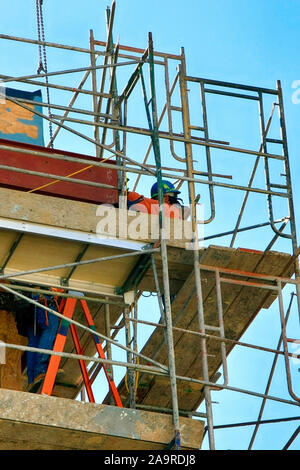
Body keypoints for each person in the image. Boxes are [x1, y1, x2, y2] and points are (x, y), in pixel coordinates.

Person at [14, 287, 64, 393]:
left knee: (34, 341)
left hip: (27, 307)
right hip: (42, 299)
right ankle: (41, 370)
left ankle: (32, 379)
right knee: (50, 330)